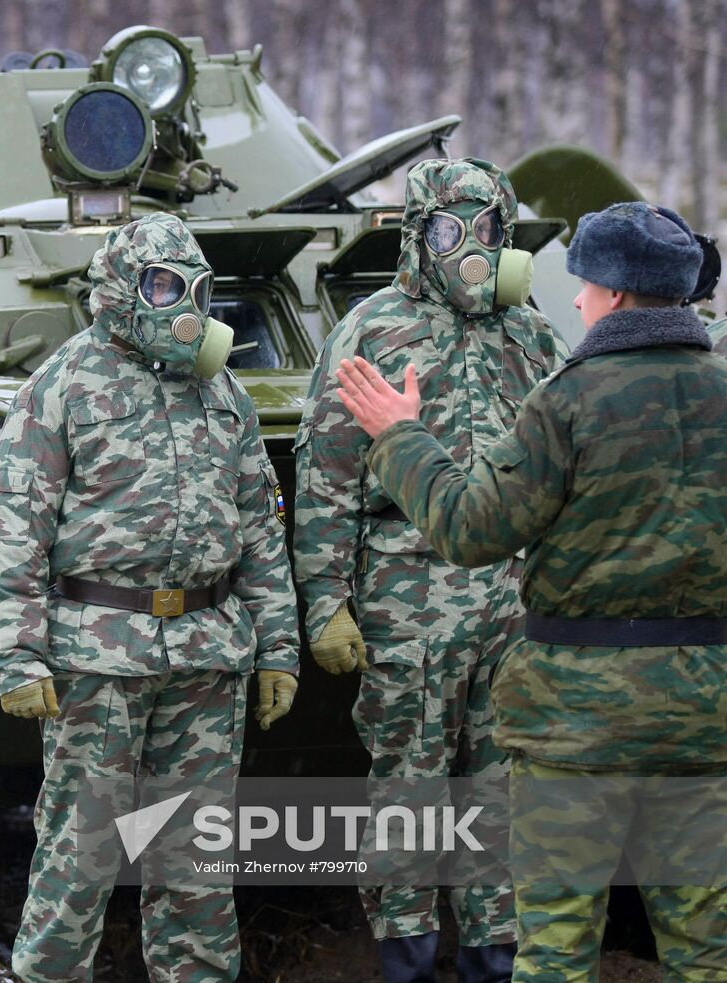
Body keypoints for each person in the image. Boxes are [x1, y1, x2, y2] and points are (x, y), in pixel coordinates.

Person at [335, 200, 727, 983]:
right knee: (704, 948)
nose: (575, 300)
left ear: (614, 295)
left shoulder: (568, 399)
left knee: (555, 950)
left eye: (583, 285)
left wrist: (401, 435)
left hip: (574, 727)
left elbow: (470, 528)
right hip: (705, 720)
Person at [0, 212, 301, 982]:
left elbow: (258, 525)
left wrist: (279, 648)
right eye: (163, 285)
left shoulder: (222, 393)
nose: (183, 303)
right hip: (99, 660)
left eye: (193, 288)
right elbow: (13, 529)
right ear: (122, 292)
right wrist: (17, 654)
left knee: (195, 862)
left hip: (208, 655)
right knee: (81, 851)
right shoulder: (60, 387)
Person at [293, 157, 565, 983]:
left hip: (512, 603)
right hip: (408, 598)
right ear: (418, 239)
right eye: (451, 231)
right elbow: (325, 477)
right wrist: (326, 603)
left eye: (488, 231)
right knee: (409, 789)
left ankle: (496, 954)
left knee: (503, 785)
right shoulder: (372, 331)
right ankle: (407, 956)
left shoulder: (532, 333)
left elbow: (565, 463)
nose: (472, 249)